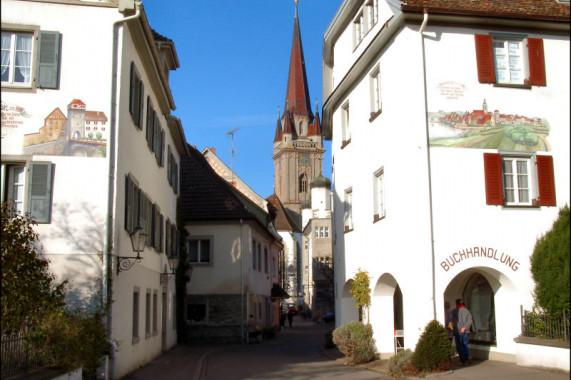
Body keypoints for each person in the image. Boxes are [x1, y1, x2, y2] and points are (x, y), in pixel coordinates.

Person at [451, 298, 473, 366]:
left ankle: (463, 360)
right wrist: (465, 327)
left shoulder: (454, 311)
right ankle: (468, 355)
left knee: (460, 346)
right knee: (465, 344)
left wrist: (459, 328)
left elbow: (454, 322)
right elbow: (470, 320)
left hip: (458, 331)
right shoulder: (467, 311)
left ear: (456, 304)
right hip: (466, 331)